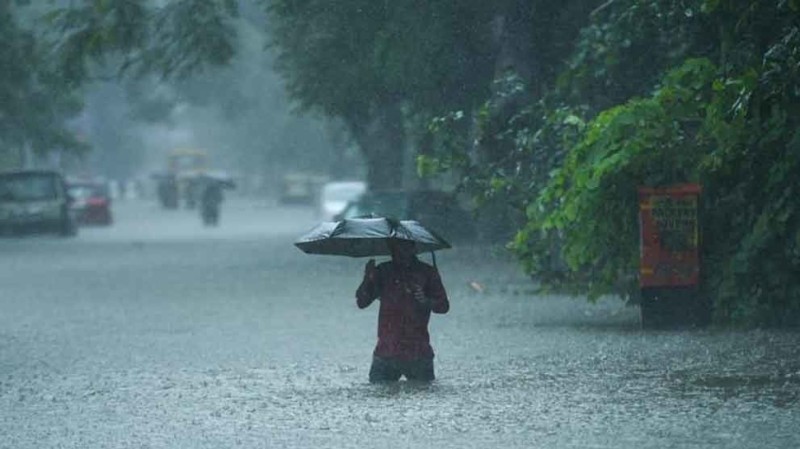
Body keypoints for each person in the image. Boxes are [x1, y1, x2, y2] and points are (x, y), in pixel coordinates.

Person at [356, 238, 449, 382]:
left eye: (404, 247)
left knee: (422, 396)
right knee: (379, 396)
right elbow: (362, 302)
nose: (400, 252)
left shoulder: (426, 272)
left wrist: (425, 301)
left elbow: (443, 306)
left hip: (417, 351)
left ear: (413, 248)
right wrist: (367, 277)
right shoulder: (383, 271)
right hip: (387, 350)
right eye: (395, 248)